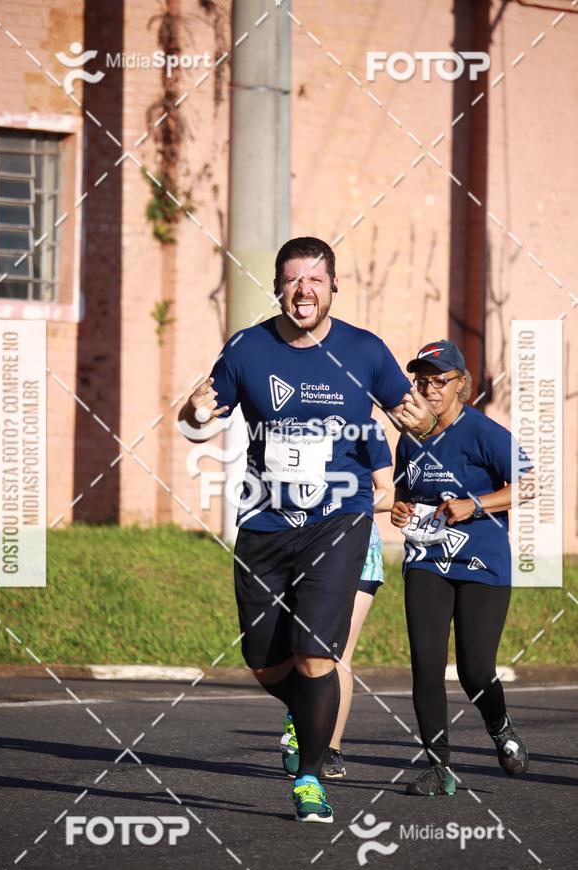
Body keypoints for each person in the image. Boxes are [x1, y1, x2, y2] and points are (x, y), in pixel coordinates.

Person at [179, 236, 434, 823]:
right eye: (293, 279)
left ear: (333, 287)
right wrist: (193, 412)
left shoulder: (365, 351)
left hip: (337, 522)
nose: (304, 290)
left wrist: (419, 424)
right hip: (264, 522)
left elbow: (410, 415)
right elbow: (197, 416)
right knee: (265, 661)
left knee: (317, 656)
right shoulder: (247, 348)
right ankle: (307, 713)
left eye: (315, 280)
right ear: (277, 287)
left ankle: (312, 776)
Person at [391, 339, 529, 797]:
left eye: (439, 380)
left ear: (460, 386)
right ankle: (438, 767)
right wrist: (399, 511)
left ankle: (501, 727)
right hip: (427, 560)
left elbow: (530, 486)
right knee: (426, 665)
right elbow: (404, 497)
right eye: (422, 380)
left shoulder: (483, 432)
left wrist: (474, 504)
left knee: (474, 668)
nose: (428, 388)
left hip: (482, 563)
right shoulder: (410, 439)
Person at [281, 437, 395, 781]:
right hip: (301, 545)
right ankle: (298, 718)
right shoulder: (300, 424)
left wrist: (345, 505)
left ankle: (330, 748)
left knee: (338, 652)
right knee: (302, 650)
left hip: (357, 547)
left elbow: (387, 493)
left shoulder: (369, 431)